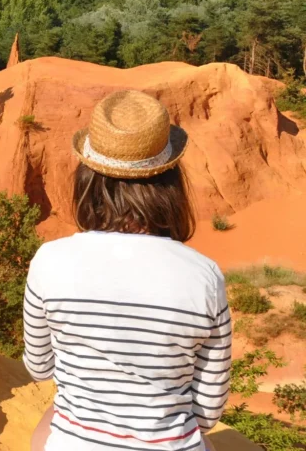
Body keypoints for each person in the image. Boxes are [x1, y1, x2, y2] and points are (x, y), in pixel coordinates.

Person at [25, 91, 231, 451]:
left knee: (47, 426)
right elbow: (208, 411)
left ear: (88, 178)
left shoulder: (49, 260)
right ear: (170, 183)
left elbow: (40, 368)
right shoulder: (205, 276)